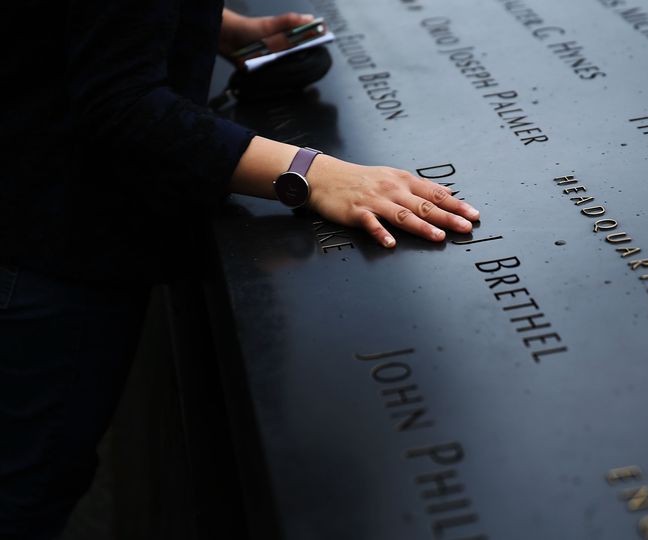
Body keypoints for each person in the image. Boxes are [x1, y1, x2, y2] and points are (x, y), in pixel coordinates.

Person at [0, 2, 479, 538]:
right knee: (25, 487)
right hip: (48, 248)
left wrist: (210, 26)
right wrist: (310, 172)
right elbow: (123, 105)